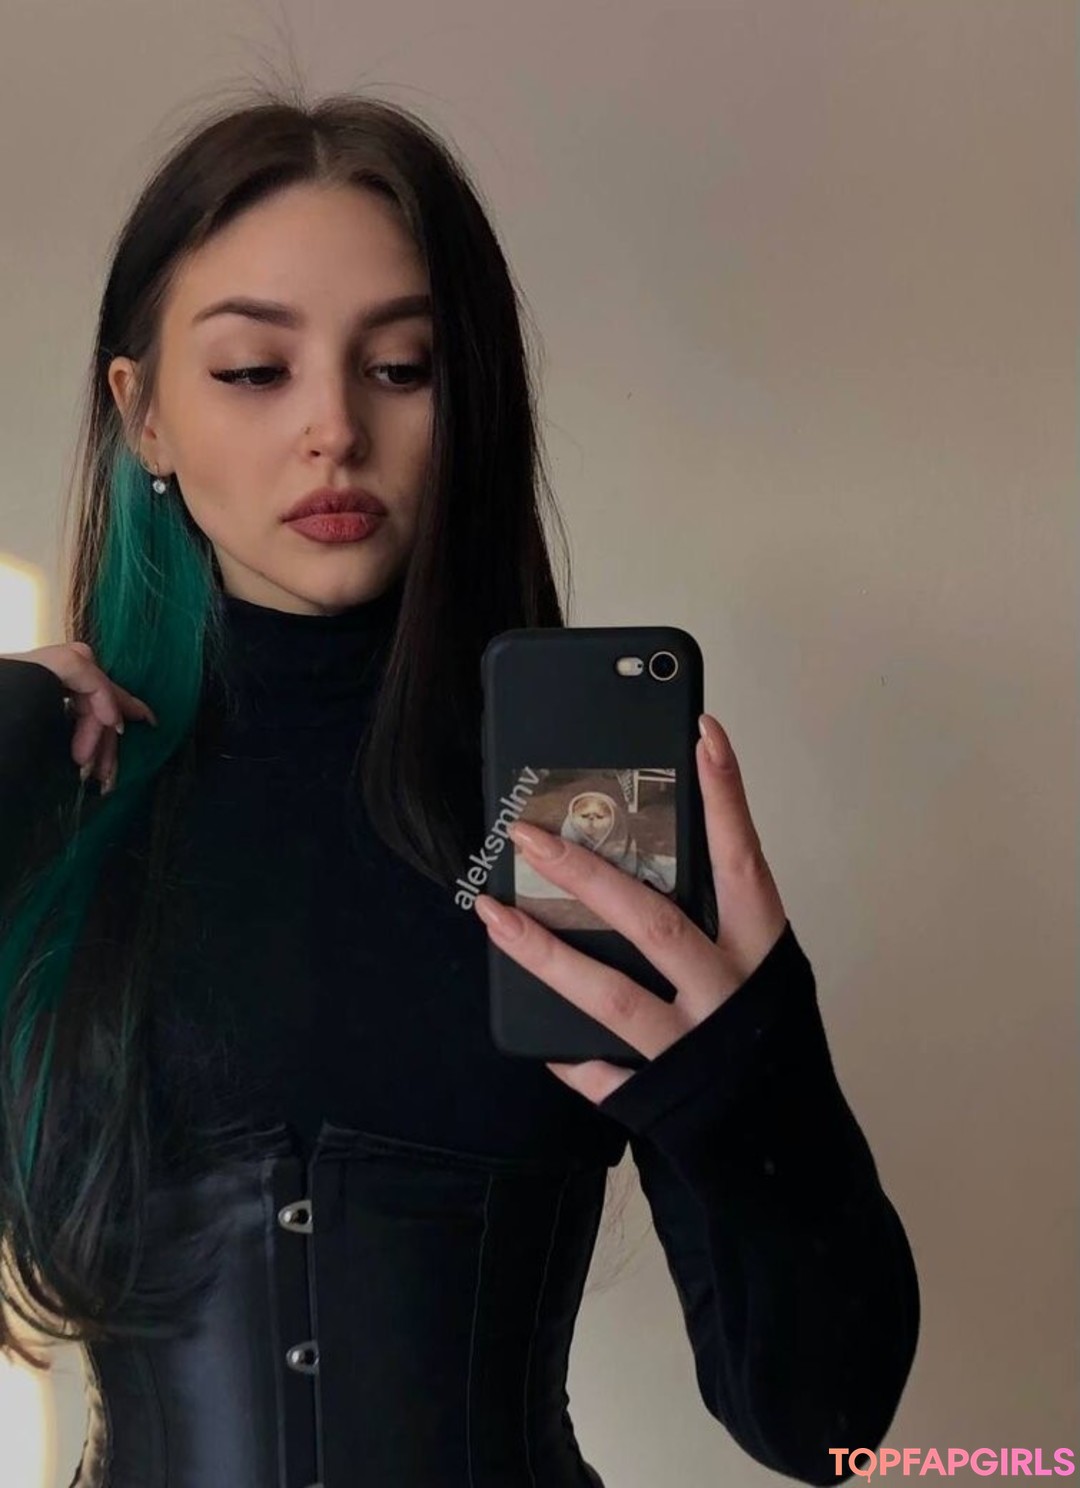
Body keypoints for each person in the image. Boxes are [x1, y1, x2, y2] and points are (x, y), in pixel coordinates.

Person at [0, 90, 920, 1488]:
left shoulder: (573, 810)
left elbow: (829, 1427)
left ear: (470, 398)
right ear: (145, 418)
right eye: (254, 369)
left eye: (402, 366)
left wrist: (755, 1083)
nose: (334, 429)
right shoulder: (63, 797)